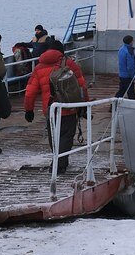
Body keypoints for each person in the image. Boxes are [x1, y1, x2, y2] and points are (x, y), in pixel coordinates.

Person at [23, 44, 88, 172]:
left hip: (50, 108)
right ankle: (59, 164)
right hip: (69, 106)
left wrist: (28, 110)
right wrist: (84, 105)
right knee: (66, 135)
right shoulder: (70, 64)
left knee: (54, 136)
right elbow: (81, 87)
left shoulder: (39, 67)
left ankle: (57, 160)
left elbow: (30, 91)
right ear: (61, 52)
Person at [116, 35, 135, 99]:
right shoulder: (129, 51)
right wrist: (134, 77)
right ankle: (132, 107)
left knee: (121, 91)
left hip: (122, 75)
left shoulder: (121, 49)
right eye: (132, 40)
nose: (133, 42)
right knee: (131, 93)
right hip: (128, 76)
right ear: (130, 42)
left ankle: (113, 105)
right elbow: (130, 66)